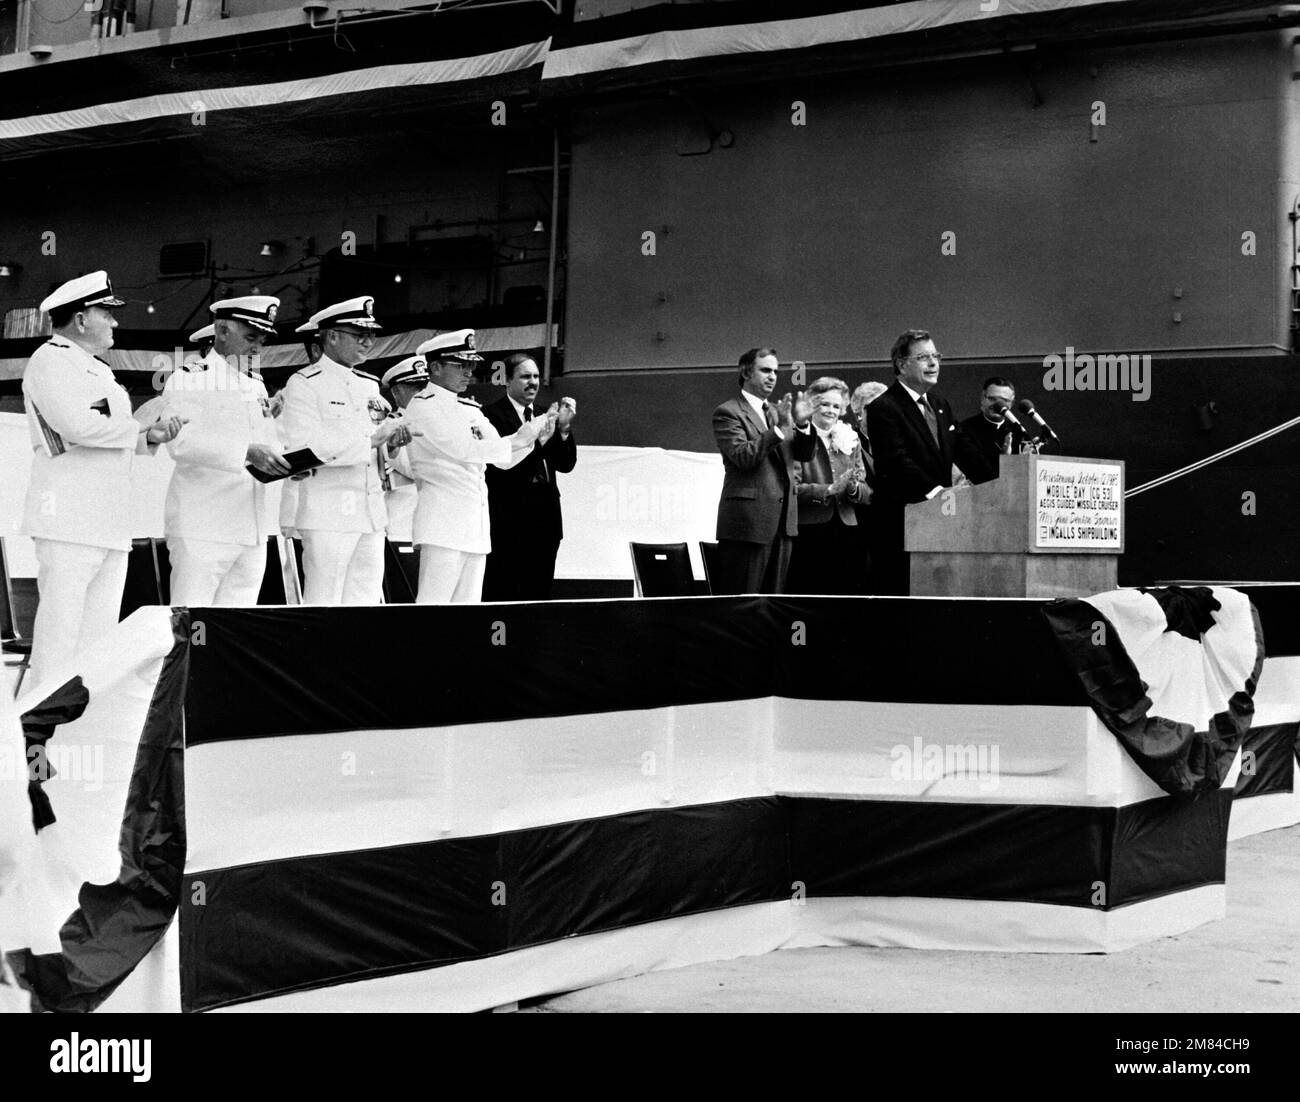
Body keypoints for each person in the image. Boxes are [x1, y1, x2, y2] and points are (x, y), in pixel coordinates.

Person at [20, 271, 185, 686]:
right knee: (60, 638)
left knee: (97, 640)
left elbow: (108, 430)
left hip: (107, 521)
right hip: (70, 520)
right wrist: (139, 428)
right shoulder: (51, 360)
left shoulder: (98, 371)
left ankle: (82, 728)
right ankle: (40, 732)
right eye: (106, 314)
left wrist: (150, 433)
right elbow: (77, 426)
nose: (114, 322)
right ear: (80, 319)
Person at [277, 296, 409, 605]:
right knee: (324, 605)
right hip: (329, 514)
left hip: (370, 512)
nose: (368, 341)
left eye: (371, 335)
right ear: (332, 336)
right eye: (358, 334)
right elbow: (303, 448)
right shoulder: (304, 384)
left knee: (364, 607)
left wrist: (388, 446)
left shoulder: (368, 385)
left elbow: (373, 455)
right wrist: (372, 441)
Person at [401, 329, 546, 603]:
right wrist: (520, 438)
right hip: (443, 526)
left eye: (471, 364)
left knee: (467, 614)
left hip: (474, 527)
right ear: (435, 367)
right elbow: (464, 450)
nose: (469, 371)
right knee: (433, 608)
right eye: (461, 364)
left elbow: (503, 461)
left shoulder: (470, 409)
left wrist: (532, 439)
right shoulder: (423, 406)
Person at [161, 296, 288, 605]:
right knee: (192, 622)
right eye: (250, 337)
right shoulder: (190, 379)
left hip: (251, 528)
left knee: (235, 631)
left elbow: (267, 442)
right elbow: (181, 442)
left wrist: (288, 462)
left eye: (262, 340)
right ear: (221, 330)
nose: (257, 347)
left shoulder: (256, 386)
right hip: (204, 526)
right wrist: (246, 452)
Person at [866, 329, 992, 595]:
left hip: (939, 523)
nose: (934, 363)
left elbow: (965, 451)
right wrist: (939, 493)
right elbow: (896, 461)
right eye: (924, 357)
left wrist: (1002, 480)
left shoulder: (940, 404)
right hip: (900, 524)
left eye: (936, 356)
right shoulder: (883, 407)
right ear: (902, 364)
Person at [711, 347, 815, 595]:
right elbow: (743, 457)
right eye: (765, 370)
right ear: (746, 372)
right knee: (743, 604)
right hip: (748, 526)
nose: (773, 376)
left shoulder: (778, 412)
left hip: (783, 524)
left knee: (773, 603)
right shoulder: (728, 412)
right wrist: (777, 430)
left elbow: (804, 455)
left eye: (776, 372)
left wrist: (801, 425)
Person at [481, 353, 577, 601]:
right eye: (525, 376)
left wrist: (564, 430)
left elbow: (565, 464)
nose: (533, 382)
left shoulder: (547, 414)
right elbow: (501, 469)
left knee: (540, 593)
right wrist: (538, 444)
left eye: (535, 376)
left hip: (546, 522)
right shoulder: (490, 416)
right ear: (508, 381)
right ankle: (502, 640)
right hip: (509, 520)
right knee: (505, 592)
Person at [787, 377, 869, 595]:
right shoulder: (797, 438)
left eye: (836, 406)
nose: (831, 410)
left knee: (845, 596)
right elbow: (792, 490)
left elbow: (866, 491)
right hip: (811, 530)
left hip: (847, 529)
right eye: (825, 404)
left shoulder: (851, 438)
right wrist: (828, 491)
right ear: (812, 405)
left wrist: (853, 489)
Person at [378, 354, 429, 543]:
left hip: (438, 527)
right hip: (403, 526)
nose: (424, 393)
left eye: (426, 387)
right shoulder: (390, 427)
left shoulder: (437, 424)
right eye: (417, 388)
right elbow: (416, 469)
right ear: (397, 392)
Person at [959, 376, 1022, 482]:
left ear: (1011, 404)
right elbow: (978, 473)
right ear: (983, 398)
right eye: (992, 399)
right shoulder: (964, 429)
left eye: (1004, 400)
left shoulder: (1017, 430)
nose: (997, 405)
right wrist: (1003, 458)